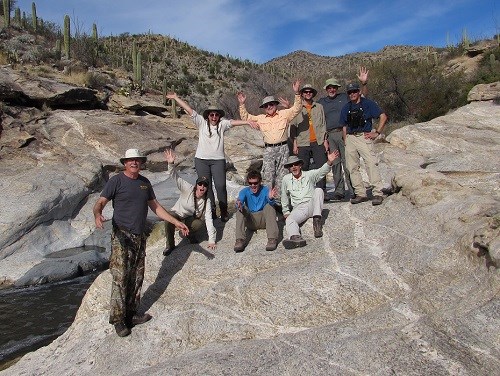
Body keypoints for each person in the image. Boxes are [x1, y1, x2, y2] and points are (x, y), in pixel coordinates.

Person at [93, 148, 189, 337]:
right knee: (121, 277)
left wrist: (176, 222)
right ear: (125, 163)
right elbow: (101, 202)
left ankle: (131, 314)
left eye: (137, 160)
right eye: (131, 161)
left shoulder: (144, 183)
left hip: (139, 235)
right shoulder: (116, 181)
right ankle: (119, 320)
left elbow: (155, 207)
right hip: (122, 235)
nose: (134, 163)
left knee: (137, 276)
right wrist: (97, 214)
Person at [166, 92, 259, 222]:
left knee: (220, 185)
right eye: (212, 114)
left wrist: (247, 122)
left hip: (218, 161)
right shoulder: (201, 123)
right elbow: (189, 110)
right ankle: (212, 210)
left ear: (219, 116)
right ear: (208, 116)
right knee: (207, 186)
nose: (214, 117)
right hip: (201, 160)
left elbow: (233, 122)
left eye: (216, 114)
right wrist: (176, 98)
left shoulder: (222, 124)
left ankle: (224, 210)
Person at [237, 79, 302, 202]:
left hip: (283, 148)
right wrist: (242, 104)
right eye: (266, 106)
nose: (269, 107)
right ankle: (267, 201)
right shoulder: (260, 118)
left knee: (282, 176)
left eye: (271, 104)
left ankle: (278, 201)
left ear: (275, 105)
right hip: (269, 150)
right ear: (264, 108)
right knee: (268, 176)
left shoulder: (284, 114)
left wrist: (297, 93)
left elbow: (297, 109)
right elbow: (246, 117)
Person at [317, 67, 369, 201]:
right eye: (329, 88)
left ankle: (353, 190)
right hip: (330, 135)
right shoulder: (321, 102)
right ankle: (339, 190)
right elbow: (310, 110)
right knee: (335, 163)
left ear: (337, 88)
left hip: (344, 133)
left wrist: (363, 84)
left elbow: (362, 98)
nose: (331, 90)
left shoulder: (345, 97)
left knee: (348, 163)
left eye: (334, 87)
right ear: (326, 89)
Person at [340, 82, 388, 206]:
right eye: (350, 92)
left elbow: (383, 116)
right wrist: (346, 140)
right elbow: (344, 125)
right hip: (350, 137)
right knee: (352, 167)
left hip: (364, 136)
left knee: (371, 163)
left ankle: (377, 192)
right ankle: (360, 193)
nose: (352, 94)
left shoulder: (368, 104)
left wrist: (377, 132)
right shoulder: (346, 107)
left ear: (359, 92)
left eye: (354, 91)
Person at [280, 150, 339, 249]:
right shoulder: (286, 179)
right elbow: (284, 196)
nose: (294, 167)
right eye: (291, 165)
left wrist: (329, 162)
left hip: (312, 205)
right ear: (289, 168)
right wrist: (285, 211)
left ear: (300, 165)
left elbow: (321, 172)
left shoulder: (309, 175)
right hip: (298, 208)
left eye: (296, 164)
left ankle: (317, 222)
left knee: (319, 190)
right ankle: (295, 237)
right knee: (290, 219)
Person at [162, 148, 217, 256]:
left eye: (205, 185)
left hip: (189, 218)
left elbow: (209, 220)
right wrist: (171, 163)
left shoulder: (207, 201)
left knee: (198, 223)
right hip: (177, 214)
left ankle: (190, 235)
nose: (202, 187)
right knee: (168, 219)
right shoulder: (187, 187)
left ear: (207, 188)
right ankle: (170, 245)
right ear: (196, 185)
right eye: (200, 184)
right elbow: (175, 176)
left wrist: (212, 240)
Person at [289, 84, 328, 195]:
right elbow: (293, 127)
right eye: (305, 92)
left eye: (310, 91)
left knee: (321, 167)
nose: (308, 93)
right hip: (302, 142)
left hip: (318, 141)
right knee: (303, 167)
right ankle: (305, 192)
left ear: (313, 93)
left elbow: (323, 124)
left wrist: (325, 140)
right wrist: (295, 143)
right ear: (302, 94)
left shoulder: (319, 107)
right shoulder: (298, 108)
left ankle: (322, 192)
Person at [234, 170, 279, 253]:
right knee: (240, 209)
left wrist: (271, 198)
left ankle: (272, 239)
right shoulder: (244, 191)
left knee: (269, 206)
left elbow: (271, 202)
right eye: (250, 183)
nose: (253, 185)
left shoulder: (265, 189)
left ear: (260, 181)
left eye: (255, 183)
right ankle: (240, 240)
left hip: (264, 220)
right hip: (251, 221)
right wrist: (239, 204)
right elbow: (240, 201)